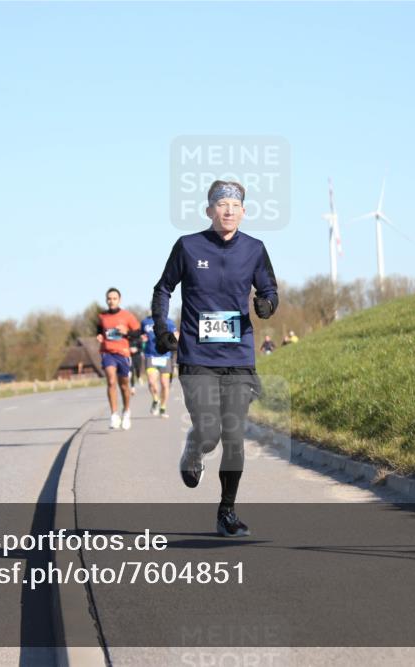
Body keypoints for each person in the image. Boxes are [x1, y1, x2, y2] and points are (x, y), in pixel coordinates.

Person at [152, 179, 279, 537]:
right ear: (209, 211)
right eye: (221, 205)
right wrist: (163, 328)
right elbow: (163, 288)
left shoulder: (254, 249)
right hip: (197, 357)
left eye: (234, 205)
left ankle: (227, 511)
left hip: (239, 357)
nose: (228, 210)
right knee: (210, 433)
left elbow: (269, 290)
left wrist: (266, 305)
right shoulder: (188, 247)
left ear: (243, 212)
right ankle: (195, 447)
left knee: (234, 435)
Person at [96, 288, 141, 430]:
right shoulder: (102, 316)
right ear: (106, 300)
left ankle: (126, 411)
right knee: (111, 381)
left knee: (124, 385)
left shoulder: (127, 316)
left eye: (114, 298)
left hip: (123, 353)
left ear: (119, 300)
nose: (111, 301)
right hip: (108, 352)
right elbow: (99, 331)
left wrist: (127, 332)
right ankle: (114, 415)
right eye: (109, 298)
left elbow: (138, 333)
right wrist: (99, 337)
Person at [140, 311, 178, 418]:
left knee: (165, 385)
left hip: (165, 357)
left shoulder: (169, 322)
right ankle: (156, 399)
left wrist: (175, 338)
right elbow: (140, 335)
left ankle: (163, 407)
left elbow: (175, 337)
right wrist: (142, 339)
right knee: (152, 383)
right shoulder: (145, 322)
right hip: (150, 355)